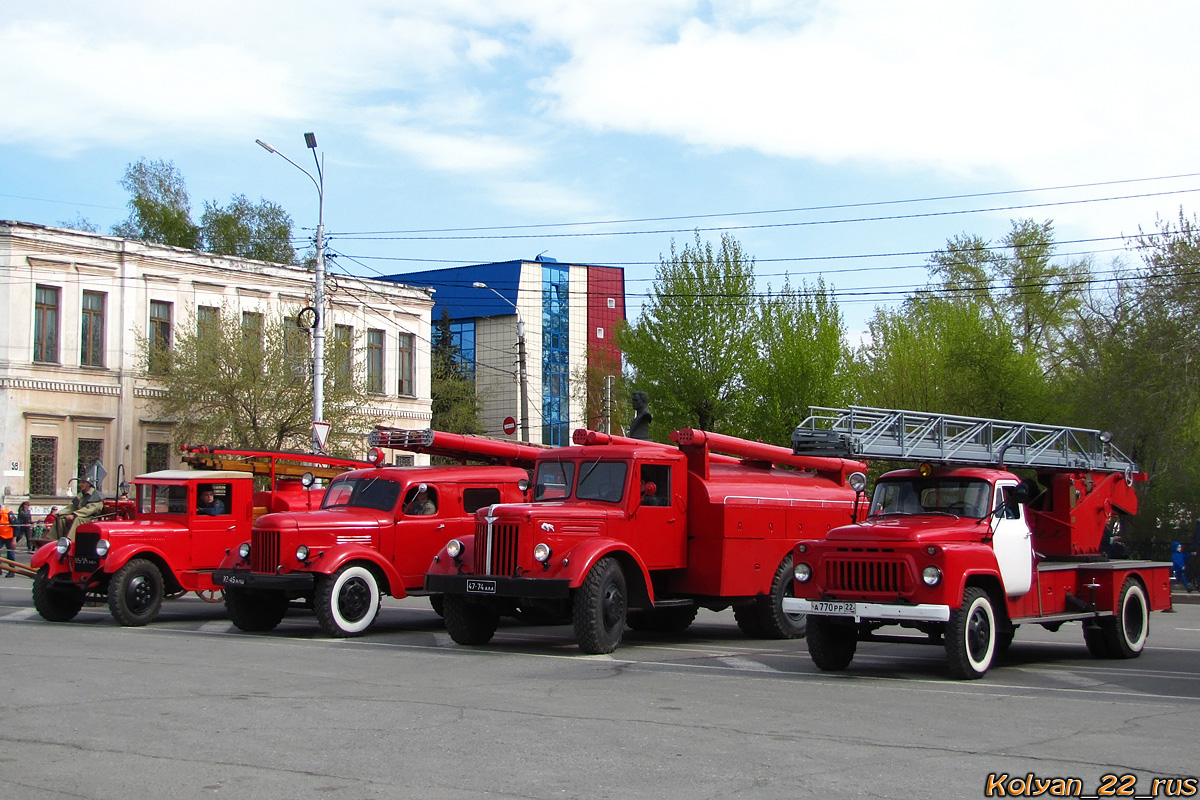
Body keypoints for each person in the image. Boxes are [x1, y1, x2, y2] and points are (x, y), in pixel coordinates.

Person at [0, 506, 15, 577]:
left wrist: (14, 539)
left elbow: (16, 526)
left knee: (10, 553)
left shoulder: (8, 514)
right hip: (0, 536)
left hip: (9, 537)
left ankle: (12, 570)